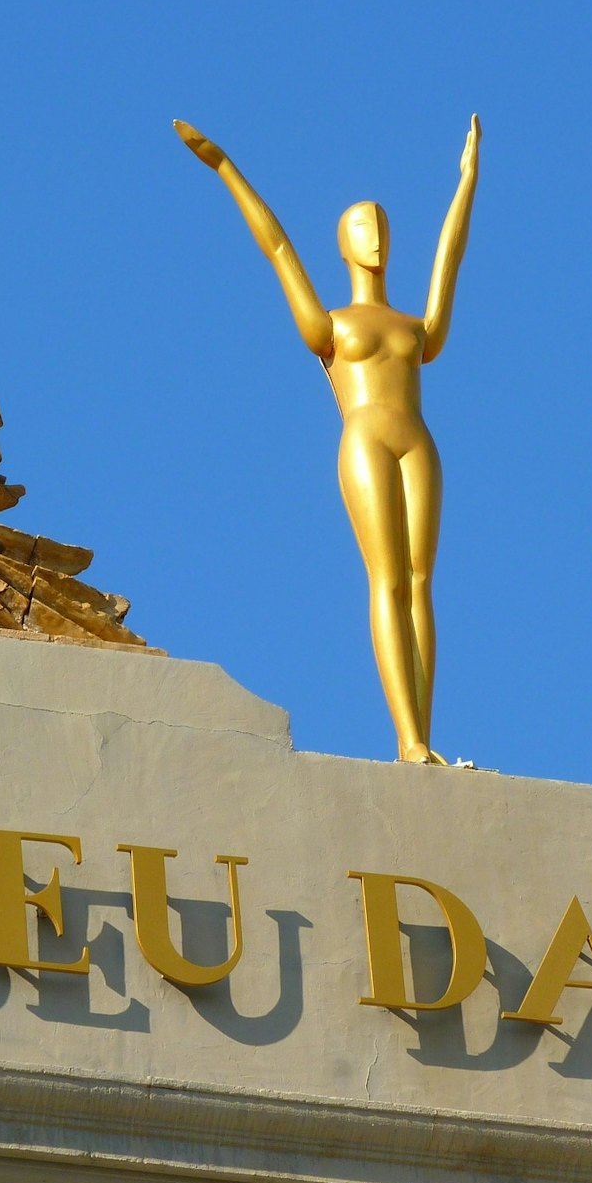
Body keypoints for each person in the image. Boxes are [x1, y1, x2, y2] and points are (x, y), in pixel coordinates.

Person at [176, 115, 480, 763]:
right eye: (363, 228)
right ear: (344, 244)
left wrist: (467, 181)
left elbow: (450, 256)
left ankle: (423, 738)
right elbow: (279, 249)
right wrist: (226, 167)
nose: (377, 238)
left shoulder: (417, 327)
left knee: (423, 582)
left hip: (418, 442)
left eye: (383, 228)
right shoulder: (331, 326)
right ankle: (409, 738)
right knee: (387, 580)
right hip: (365, 437)